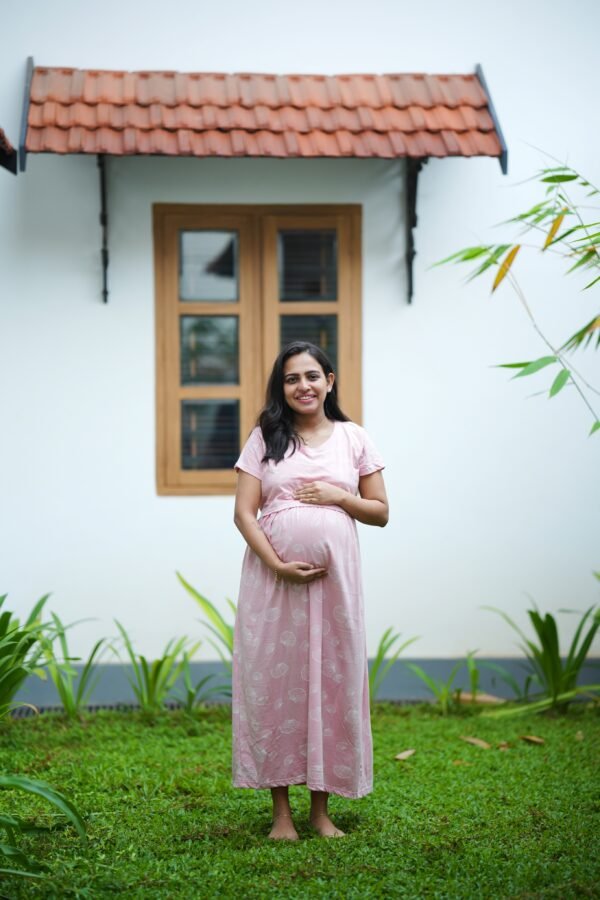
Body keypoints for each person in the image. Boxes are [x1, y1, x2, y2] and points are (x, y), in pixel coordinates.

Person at [232, 341, 389, 841]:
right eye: (291, 378)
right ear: (282, 388)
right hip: (273, 583)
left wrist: (339, 496)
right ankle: (282, 814)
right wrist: (277, 564)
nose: (303, 386)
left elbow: (381, 511)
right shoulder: (265, 438)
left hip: (334, 588)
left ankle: (321, 811)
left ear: (330, 381)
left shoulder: (353, 438)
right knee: (275, 686)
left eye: (312, 376)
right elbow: (242, 513)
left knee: (331, 678)